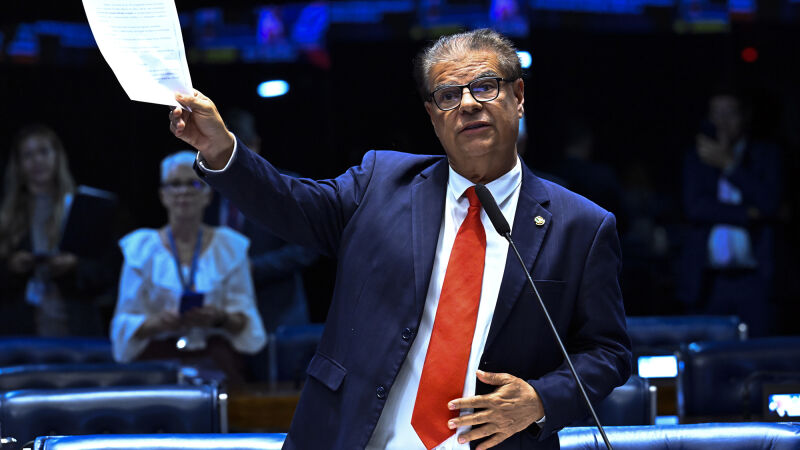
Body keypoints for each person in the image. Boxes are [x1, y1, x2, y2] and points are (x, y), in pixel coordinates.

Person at [169, 29, 630, 450]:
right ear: (433, 116)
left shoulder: (580, 226)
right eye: (449, 95)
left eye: (485, 86)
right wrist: (220, 149)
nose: (468, 104)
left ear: (519, 95)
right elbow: (290, 203)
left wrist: (539, 399)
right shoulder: (380, 183)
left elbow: (607, 352)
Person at [110, 151, 267, 384]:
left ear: (207, 194)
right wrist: (158, 322)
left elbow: (246, 320)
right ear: (163, 195)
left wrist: (219, 318)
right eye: (174, 184)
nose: (183, 192)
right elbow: (124, 324)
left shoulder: (229, 247)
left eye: (193, 183)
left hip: (215, 358)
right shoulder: (141, 250)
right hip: (159, 359)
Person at [680, 89, 781, 336]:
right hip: (709, 280)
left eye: (729, 113)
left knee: (758, 354)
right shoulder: (697, 159)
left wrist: (729, 165)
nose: (722, 122)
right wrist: (748, 214)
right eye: (716, 113)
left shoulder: (766, 155)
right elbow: (695, 207)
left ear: (744, 116)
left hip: (755, 279)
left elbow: (771, 203)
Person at [0, 124, 109, 336]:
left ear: (57, 156)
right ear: (19, 164)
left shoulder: (82, 208)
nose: (37, 161)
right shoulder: (7, 217)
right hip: (21, 330)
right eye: (28, 155)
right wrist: (12, 267)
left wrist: (74, 265)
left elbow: (105, 273)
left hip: (77, 325)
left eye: (43, 151)